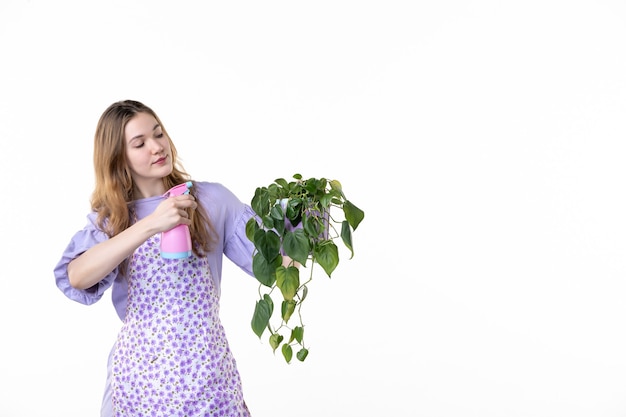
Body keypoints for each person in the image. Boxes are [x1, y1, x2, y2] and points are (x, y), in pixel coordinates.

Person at [54, 99, 257, 417]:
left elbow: (275, 263)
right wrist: (150, 225)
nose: (156, 147)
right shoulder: (113, 219)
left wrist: (307, 227)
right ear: (119, 157)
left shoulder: (211, 200)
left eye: (158, 134)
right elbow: (77, 277)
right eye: (140, 143)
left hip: (208, 381)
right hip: (139, 384)